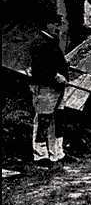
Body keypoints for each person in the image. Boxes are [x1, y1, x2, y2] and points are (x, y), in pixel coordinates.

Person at [29, 13, 69, 168]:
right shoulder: (39, 42)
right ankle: (40, 156)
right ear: (48, 24)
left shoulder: (52, 41)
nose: (58, 28)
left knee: (57, 120)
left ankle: (57, 154)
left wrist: (63, 75)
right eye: (56, 25)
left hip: (57, 87)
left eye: (59, 25)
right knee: (43, 120)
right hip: (45, 87)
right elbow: (39, 67)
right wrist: (55, 76)